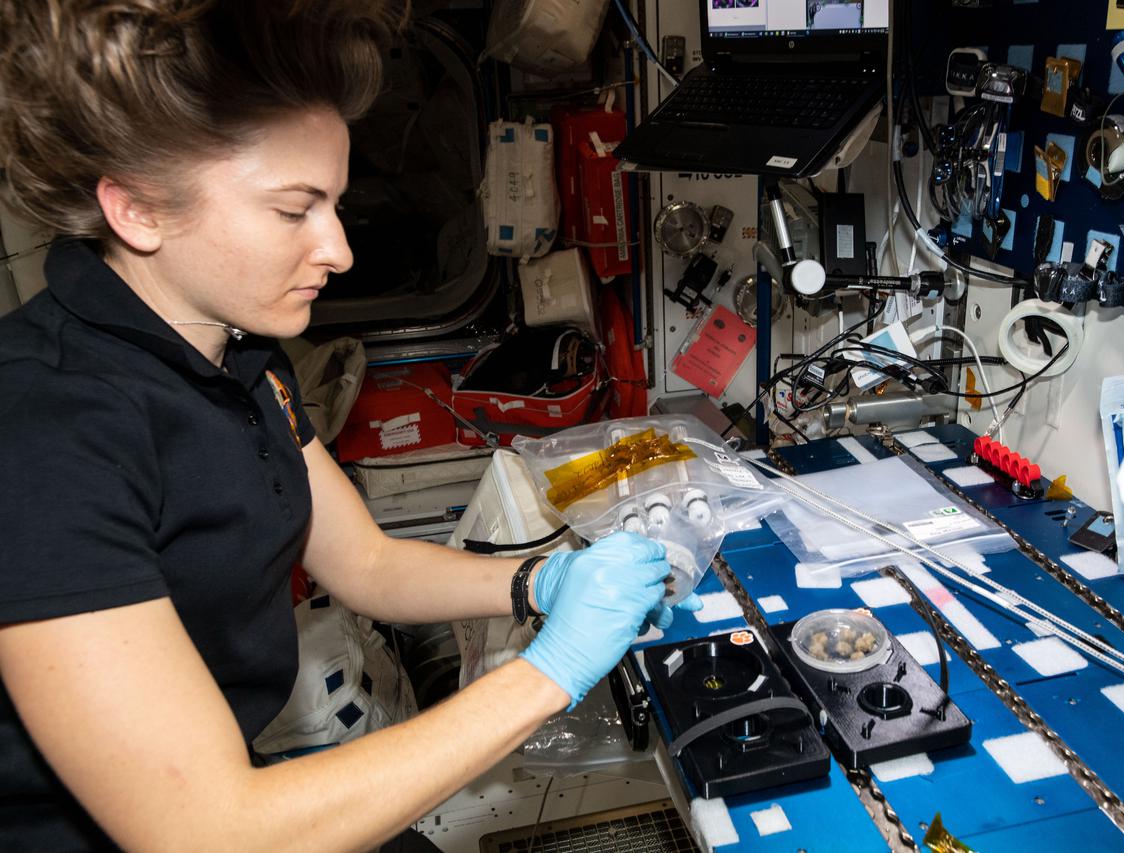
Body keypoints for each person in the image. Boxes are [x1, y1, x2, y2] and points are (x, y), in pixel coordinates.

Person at [0, 2, 697, 849]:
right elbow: (204, 831)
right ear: (139, 210)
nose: (339, 249)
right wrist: (552, 671)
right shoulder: (44, 431)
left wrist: (538, 580)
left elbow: (366, 563)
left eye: (332, 203)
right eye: (294, 211)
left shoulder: (239, 354)